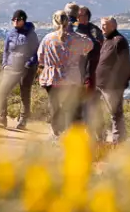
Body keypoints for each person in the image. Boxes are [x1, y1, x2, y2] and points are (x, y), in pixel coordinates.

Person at [37, 10, 93, 138]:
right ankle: (70, 135)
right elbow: (90, 46)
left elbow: (40, 57)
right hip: (71, 78)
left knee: (55, 107)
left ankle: (56, 133)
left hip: (52, 78)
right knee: (70, 107)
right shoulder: (77, 38)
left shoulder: (48, 38)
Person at [0, 10, 40, 130]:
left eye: (18, 19)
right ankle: (2, 117)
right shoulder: (10, 34)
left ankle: (23, 119)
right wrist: (4, 64)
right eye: (13, 19)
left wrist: (29, 64)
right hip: (11, 67)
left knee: (24, 93)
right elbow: (6, 50)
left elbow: (36, 51)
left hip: (26, 68)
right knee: (2, 91)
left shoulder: (31, 34)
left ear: (23, 20)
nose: (15, 21)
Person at [95, 16, 130, 144]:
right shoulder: (106, 39)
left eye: (105, 25)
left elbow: (125, 62)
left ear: (113, 26)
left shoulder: (119, 40)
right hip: (99, 83)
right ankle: (100, 137)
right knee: (95, 110)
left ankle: (119, 141)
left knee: (115, 113)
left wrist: (124, 80)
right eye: (101, 24)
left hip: (112, 85)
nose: (102, 27)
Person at [75, 6, 104, 128]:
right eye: (76, 15)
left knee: (91, 102)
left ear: (86, 17)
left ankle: (97, 130)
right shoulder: (73, 29)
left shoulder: (94, 31)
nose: (77, 17)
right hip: (75, 74)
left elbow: (99, 48)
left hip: (89, 73)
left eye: (79, 15)